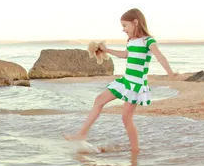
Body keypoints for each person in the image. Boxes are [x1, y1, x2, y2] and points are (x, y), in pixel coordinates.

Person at [65, 8, 175, 153]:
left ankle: (135, 150)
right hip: (125, 81)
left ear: (135, 22)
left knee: (126, 118)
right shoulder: (131, 41)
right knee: (99, 100)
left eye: (125, 26)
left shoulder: (148, 41)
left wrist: (170, 74)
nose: (123, 30)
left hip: (136, 84)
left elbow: (159, 56)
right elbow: (125, 55)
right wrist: (106, 49)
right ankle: (81, 134)